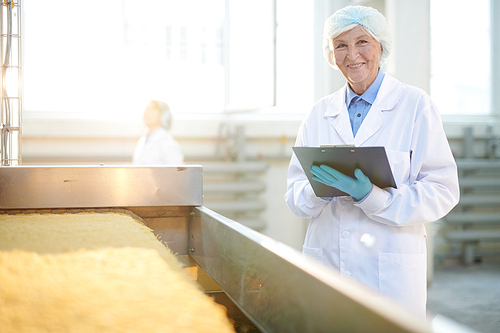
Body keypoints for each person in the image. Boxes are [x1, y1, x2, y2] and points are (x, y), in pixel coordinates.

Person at [284, 5, 459, 319]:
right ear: (330, 52)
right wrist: (318, 189)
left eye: (362, 42)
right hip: (328, 265)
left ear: (381, 45)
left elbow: (442, 190)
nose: (353, 55)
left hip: (390, 273)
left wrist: (373, 197)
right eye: (341, 45)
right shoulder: (318, 113)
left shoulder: (415, 105)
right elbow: (294, 196)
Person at [132, 100, 184, 165]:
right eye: (146, 109)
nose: (147, 112)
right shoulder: (142, 140)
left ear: (163, 114)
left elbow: (178, 171)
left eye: (152, 109)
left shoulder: (167, 142)